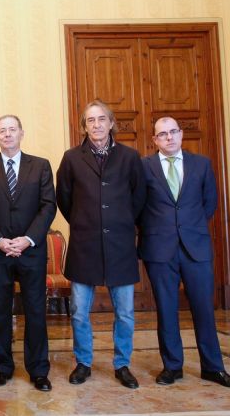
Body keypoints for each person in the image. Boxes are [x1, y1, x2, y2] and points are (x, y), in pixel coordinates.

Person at [56, 100, 146, 389]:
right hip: (85, 244)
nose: (96, 125)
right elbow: (65, 199)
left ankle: (122, 364)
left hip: (120, 244)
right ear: (84, 126)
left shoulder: (130, 157)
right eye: (90, 120)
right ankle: (83, 362)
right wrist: (85, 221)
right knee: (80, 311)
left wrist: (119, 220)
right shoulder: (71, 158)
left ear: (111, 123)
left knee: (125, 312)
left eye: (101, 119)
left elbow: (139, 197)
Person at [139, 117, 230, 387]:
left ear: (181, 134)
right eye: (162, 134)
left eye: (173, 132)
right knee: (166, 309)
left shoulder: (201, 164)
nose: (169, 137)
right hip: (159, 248)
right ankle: (172, 367)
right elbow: (137, 206)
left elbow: (209, 203)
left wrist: (188, 227)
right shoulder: (144, 167)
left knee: (204, 308)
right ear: (154, 140)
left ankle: (213, 367)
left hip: (196, 247)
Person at [0, 115, 57, 392]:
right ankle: (3, 366)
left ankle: (38, 369)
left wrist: (28, 239)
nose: (7, 135)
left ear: (22, 133)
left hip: (31, 251)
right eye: (1, 131)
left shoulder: (41, 165)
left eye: (12, 130)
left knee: (34, 311)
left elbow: (48, 206)